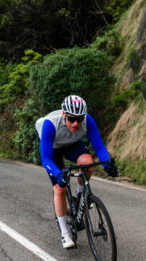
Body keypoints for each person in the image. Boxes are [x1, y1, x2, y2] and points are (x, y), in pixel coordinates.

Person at [36, 95, 119, 249]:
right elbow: (46, 159)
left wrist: (107, 165)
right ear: (64, 114)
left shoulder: (88, 121)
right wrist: (59, 174)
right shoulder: (50, 124)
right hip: (53, 149)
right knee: (59, 189)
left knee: (87, 162)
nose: (75, 123)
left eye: (79, 119)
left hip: (72, 144)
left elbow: (99, 147)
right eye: (72, 119)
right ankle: (65, 233)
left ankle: (81, 196)